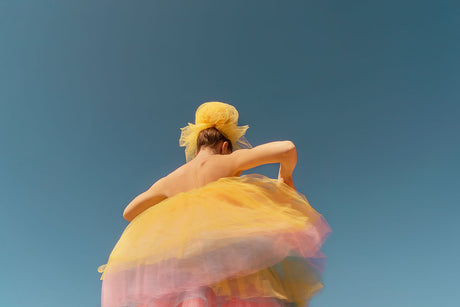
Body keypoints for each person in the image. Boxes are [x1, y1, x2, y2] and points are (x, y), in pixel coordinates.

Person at [99, 102, 331, 307]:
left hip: (187, 276)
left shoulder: (169, 181)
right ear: (224, 146)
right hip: (229, 270)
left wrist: (167, 203)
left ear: (197, 147)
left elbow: (129, 212)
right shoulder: (227, 160)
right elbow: (288, 148)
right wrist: (285, 178)